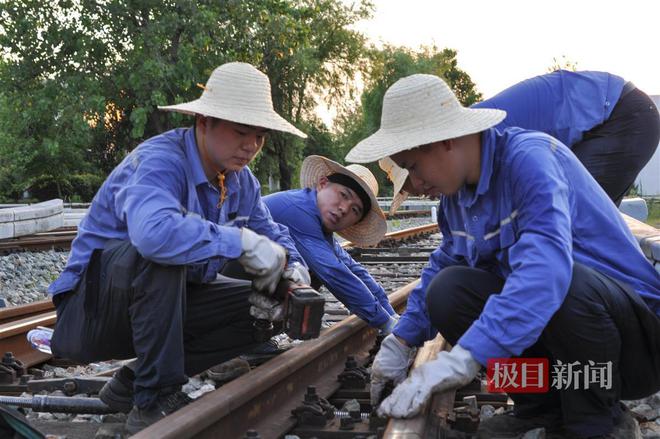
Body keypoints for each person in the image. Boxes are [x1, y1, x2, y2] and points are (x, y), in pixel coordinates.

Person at [346, 74, 660, 438]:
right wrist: (400, 341)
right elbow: (445, 264)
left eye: (412, 166)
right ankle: (540, 409)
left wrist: (469, 354)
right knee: (448, 291)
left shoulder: (531, 159)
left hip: (634, 350)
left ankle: (596, 422)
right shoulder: (456, 203)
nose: (415, 184)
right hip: (568, 358)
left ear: (443, 140)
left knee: (560, 280)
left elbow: (545, 272)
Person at [47, 62, 311, 434]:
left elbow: (271, 230)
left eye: (260, 136)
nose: (251, 146)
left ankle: (133, 381)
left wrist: (293, 270)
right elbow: (153, 235)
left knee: (273, 304)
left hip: (165, 306)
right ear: (204, 122)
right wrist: (240, 241)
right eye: (240, 132)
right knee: (162, 253)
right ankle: (154, 399)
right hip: (91, 313)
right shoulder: (159, 162)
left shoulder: (240, 181)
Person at [382, 70, 660, 210]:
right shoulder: (467, 148)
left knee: (573, 222)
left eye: (416, 173)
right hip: (605, 117)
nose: (424, 190)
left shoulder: (487, 141)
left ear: (438, 146)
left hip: (619, 114)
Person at [263, 155, 399, 334]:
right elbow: (335, 273)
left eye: (355, 210)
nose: (344, 209)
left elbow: (352, 268)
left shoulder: (319, 223)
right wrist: (384, 322)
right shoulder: (299, 210)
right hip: (225, 275)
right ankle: (250, 337)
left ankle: (260, 334)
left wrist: (390, 313)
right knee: (313, 271)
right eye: (343, 195)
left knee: (307, 273)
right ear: (322, 183)